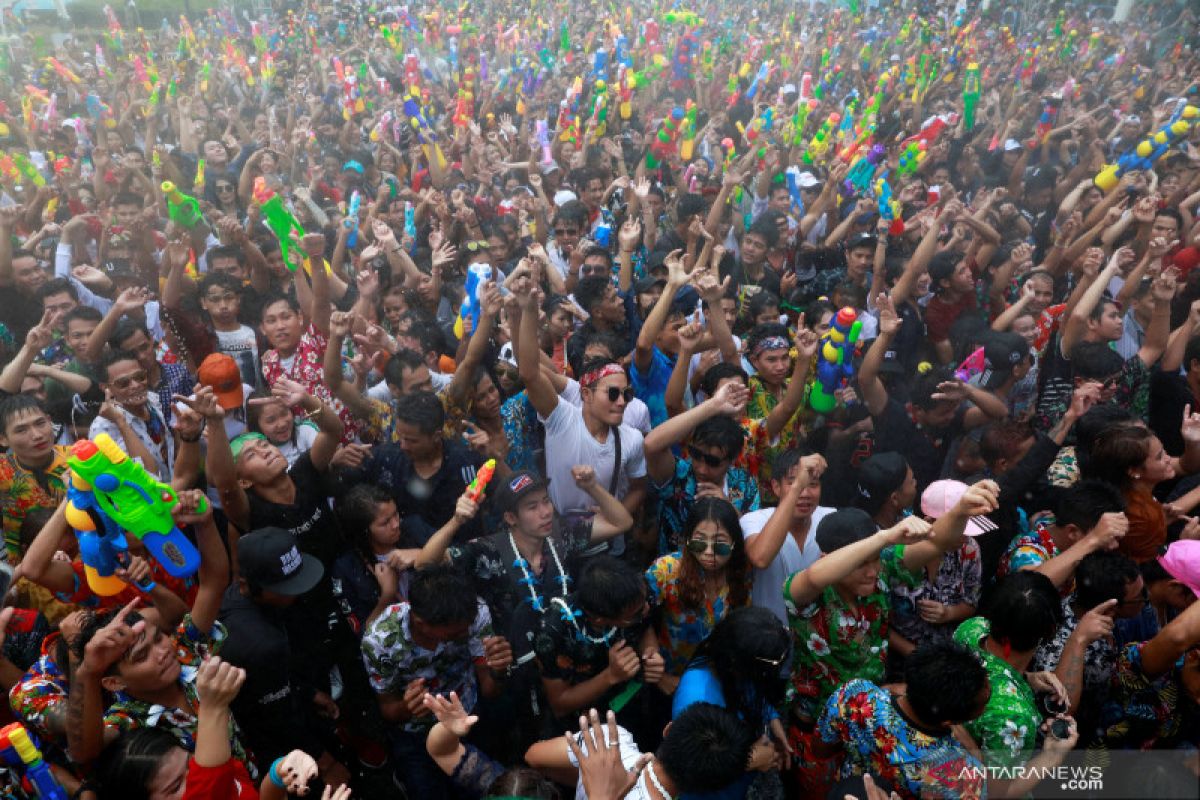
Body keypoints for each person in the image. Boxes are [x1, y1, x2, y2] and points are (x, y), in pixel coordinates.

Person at [361, 564, 513, 800]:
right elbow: (388, 709)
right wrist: (407, 708)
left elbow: (490, 690)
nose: (465, 634)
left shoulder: (474, 613)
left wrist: (500, 671)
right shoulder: (380, 640)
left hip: (468, 718)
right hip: (416, 737)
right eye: (455, 634)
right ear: (422, 623)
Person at [216, 527, 352, 787]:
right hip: (268, 740)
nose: (295, 593)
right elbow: (278, 720)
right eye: (284, 588)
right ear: (246, 584)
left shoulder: (241, 596)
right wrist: (326, 764)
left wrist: (306, 692)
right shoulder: (261, 643)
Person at [953, 572, 1080, 796]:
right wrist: (1051, 756)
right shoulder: (1013, 716)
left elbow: (991, 666)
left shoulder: (971, 629)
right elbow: (996, 792)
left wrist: (1026, 678)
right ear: (1048, 633)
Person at [814, 640, 990, 799]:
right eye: (985, 702)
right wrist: (975, 752)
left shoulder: (856, 696)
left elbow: (821, 749)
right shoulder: (961, 773)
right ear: (948, 722)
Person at [645, 497, 752, 692]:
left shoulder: (743, 573)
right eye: (699, 543)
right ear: (687, 540)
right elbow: (638, 619)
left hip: (717, 682)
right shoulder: (665, 571)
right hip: (668, 682)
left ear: (735, 543)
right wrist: (654, 663)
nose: (709, 553)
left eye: (720, 545)